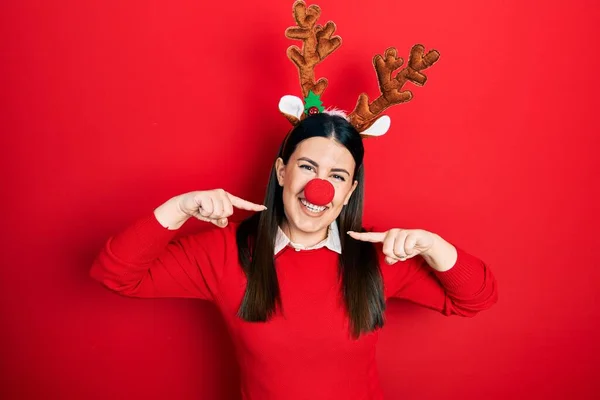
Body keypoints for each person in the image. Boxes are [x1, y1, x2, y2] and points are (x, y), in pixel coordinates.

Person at [90, 112, 498, 400]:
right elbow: (116, 274)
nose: (318, 188)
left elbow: (476, 298)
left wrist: (432, 245)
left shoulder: (377, 255)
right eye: (307, 167)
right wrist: (178, 208)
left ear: (349, 192)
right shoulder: (223, 251)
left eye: (337, 176)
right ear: (282, 172)